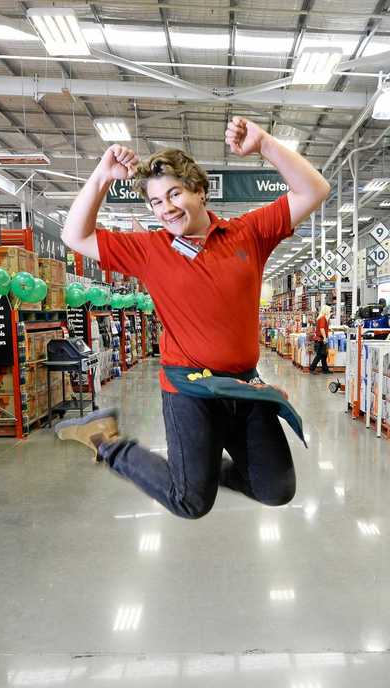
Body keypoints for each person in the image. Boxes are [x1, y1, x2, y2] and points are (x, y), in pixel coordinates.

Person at [52, 117, 330, 519]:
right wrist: (102, 176)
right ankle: (108, 443)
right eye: (155, 202)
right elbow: (74, 236)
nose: (166, 208)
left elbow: (314, 189)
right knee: (190, 502)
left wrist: (265, 143)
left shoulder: (247, 233)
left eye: (175, 193)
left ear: (200, 191)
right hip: (189, 390)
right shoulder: (150, 249)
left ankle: (194, 471)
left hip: (241, 384)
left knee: (276, 489)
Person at [308, 305, 331, 374]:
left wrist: (329, 329)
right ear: (326, 310)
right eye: (329, 310)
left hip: (320, 339)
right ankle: (312, 368)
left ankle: (325, 369)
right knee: (320, 355)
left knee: (324, 354)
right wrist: (324, 338)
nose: (330, 312)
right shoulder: (322, 318)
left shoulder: (321, 318)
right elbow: (321, 328)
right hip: (320, 339)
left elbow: (322, 328)